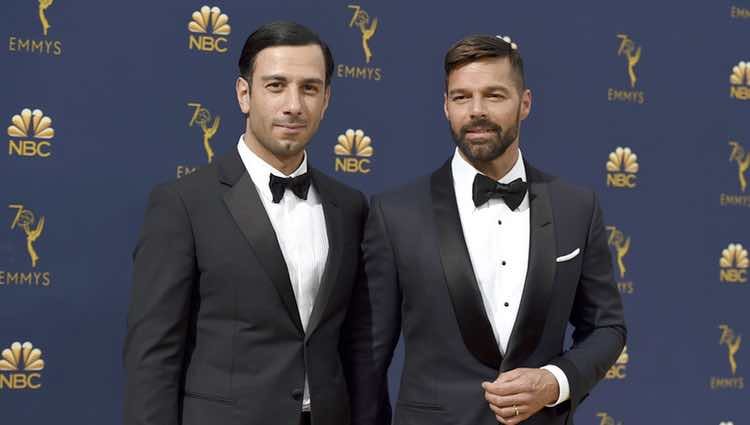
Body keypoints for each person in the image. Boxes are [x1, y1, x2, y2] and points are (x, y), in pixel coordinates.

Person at [352, 34, 626, 425]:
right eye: (462, 97)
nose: (477, 111)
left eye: (494, 96)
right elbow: (370, 356)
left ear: (525, 103)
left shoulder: (576, 207)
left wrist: (554, 381)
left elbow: (606, 327)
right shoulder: (395, 213)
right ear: (445, 107)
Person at [123, 21, 368, 425]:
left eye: (309, 88)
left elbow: (356, 345)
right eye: (276, 85)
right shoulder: (183, 204)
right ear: (244, 95)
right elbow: (152, 356)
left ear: (326, 100)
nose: (294, 104)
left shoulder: (350, 206)